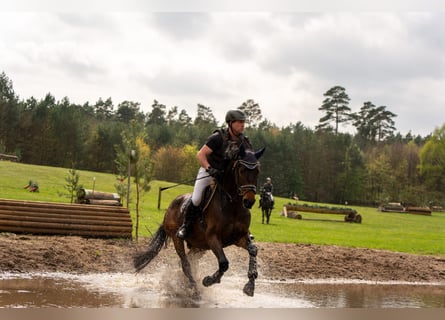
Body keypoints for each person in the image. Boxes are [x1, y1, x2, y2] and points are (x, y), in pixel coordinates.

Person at [176, 109, 253, 240]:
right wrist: (209, 168)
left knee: (241, 197)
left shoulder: (244, 141)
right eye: (240, 122)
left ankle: (243, 230)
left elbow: (248, 159)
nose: (243, 125)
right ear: (230, 123)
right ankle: (186, 226)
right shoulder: (218, 137)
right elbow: (200, 154)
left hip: (227, 177)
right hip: (210, 172)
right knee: (196, 199)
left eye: (244, 122)